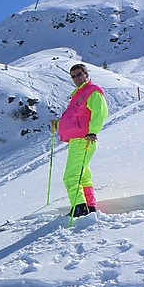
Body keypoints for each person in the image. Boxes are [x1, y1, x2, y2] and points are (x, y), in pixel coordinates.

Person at [56, 63, 109, 217]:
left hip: (83, 140)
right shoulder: (79, 94)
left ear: (86, 74)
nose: (76, 79)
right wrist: (58, 125)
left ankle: (79, 208)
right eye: (73, 76)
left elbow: (100, 111)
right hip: (78, 140)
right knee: (83, 176)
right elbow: (76, 118)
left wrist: (93, 131)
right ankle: (89, 206)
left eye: (79, 74)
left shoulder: (92, 92)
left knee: (71, 176)